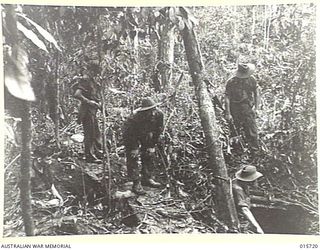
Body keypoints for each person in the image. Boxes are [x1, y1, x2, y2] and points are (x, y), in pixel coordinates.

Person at [123, 97, 164, 195]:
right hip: (132, 135)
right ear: (144, 111)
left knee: (148, 154)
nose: (152, 113)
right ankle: (136, 182)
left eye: (153, 109)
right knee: (133, 156)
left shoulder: (159, 115)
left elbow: (158, 131)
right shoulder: (134, 118)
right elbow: (129, 134)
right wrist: (134, 148)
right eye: (149, 110)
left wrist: (152, 146)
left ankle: (147, 178)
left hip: (147, 134)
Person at [225, 63, 260, 151]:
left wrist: (256, 108)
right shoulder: (231, 82)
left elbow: (256, 94)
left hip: (247, 107)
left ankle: (254, 150)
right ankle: (237, 150)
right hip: (235, 108)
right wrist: (228, 113)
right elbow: (227, 98)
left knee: (251, 129)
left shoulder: (252, 80)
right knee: (235, 130)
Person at [74, 65, 103, 164]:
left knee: (96, 133)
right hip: (86, 111)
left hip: (93, 111)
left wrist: (100, 106)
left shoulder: (94, 82)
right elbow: (77, 94)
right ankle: (89, 156)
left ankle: (97, 152)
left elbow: (96, 96)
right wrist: (89, 102)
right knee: (89, 134)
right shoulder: (85, 80)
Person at [232, 165, 264, 234]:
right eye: (254, 179)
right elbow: (244, 210)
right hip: (240, 222)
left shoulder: (243, 184)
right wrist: (257, 227)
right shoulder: (237, 189)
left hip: (246, 221)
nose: (256, 181)